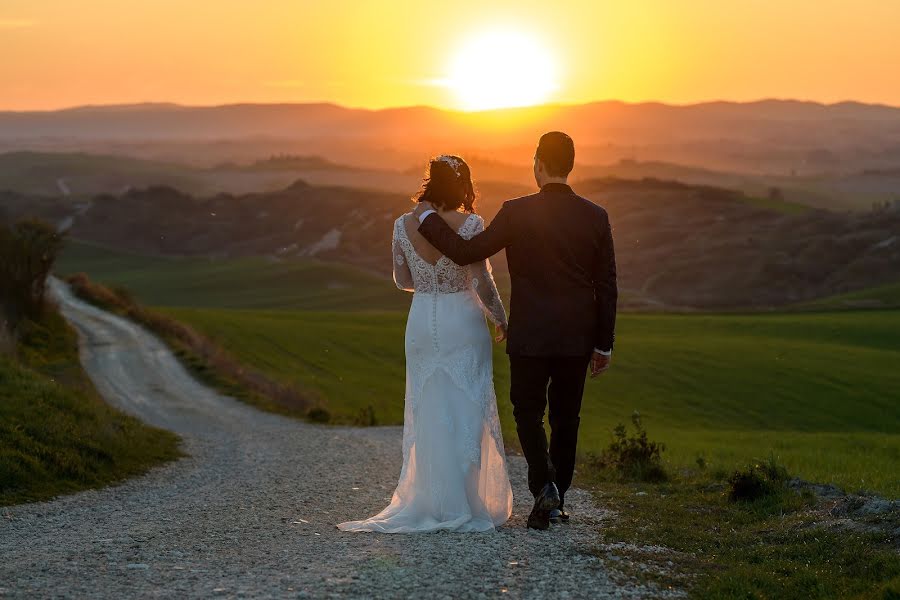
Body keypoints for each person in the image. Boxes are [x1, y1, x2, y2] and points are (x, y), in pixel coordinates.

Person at [414, 132, 617, 530]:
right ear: (570, 165)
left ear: (538, 164)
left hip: (530, 335)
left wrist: (426, 221)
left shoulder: (517, 211)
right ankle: (555, 497)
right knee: (566, 418)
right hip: (577, 337)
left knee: (527, 413)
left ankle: (544, 488)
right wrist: (603, 344)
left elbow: (467, 252)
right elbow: (607, 285)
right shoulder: (596, 216)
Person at [338, 155, 513, 533]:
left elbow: (402, 279)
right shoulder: (471, 224)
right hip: (463, 321)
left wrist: (429, 281)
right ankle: (466, 499)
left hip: (421, 320)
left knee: (429, 404)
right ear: (463, 184)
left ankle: (431, 497)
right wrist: (500, 317)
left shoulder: (403, 225)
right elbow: (481, 281)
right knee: (467, 403)